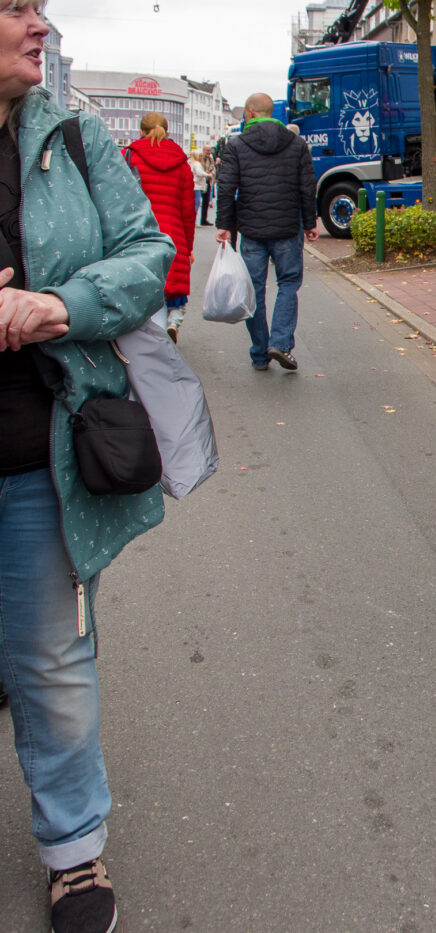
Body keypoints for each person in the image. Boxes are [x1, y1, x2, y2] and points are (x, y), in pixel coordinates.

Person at [0, 3, 176, 930]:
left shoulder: (70, 136)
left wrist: (60, 304)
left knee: (52, 657)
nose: (42, 25)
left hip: (41, 456)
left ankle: (73, 849)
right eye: (15, 7)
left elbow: (149, 250)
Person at [215, 93, 317, 371]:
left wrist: (224, 225)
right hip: (288, 227)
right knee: (288, 283)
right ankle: (280, 343)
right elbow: (307, 186)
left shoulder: (237, 145)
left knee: (254, 290)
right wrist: (310, 222)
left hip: (252, 229)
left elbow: (226, 187)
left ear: (249, 112)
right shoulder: (296, 144)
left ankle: (260, 353)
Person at [125, 112, 196, 342]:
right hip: (173, 236)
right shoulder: (182, 163)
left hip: (137, 234)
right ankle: (170, 323)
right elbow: (188, 211)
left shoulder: (128, 156)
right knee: (170, 287)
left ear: (141, 131)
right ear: (168, 132)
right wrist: (188, 247)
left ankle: (144, 336)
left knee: (139, 288)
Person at [197, 145, 215, 225]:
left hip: (208, 181)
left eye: (210, 150)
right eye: (207, 150)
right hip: (200, 181)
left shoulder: (211, 158)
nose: (209, 152)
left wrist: (212, 172)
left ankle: (204, 219)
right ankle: (194, 220)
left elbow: (213, 167)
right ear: (203, 150)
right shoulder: (200, 158)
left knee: (206, 201)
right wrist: (205, 173)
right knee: (197, 201)